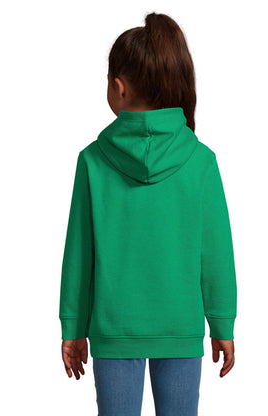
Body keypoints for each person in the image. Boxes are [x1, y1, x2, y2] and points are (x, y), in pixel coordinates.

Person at [58, 11, 237, 416]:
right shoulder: (200, 160)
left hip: (113, 328)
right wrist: (222, 323)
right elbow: (216, 254)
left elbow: (79, 254)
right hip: (180, 327)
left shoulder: (93, 161)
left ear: (118, 86)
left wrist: (73, 326)